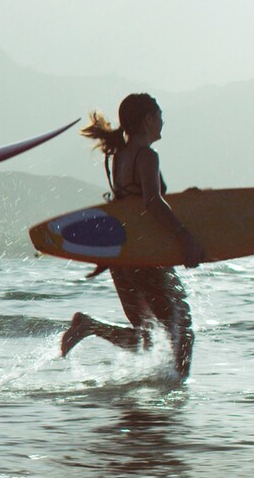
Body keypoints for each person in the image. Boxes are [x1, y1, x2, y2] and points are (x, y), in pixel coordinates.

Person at [58, 93, 204, 379]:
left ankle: (90, 326)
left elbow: (133, 203)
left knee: (148, 337)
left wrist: (183, 200)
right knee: (182, 330)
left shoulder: (120, 157)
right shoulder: (146, 155)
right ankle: (172, 403)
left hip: (124, 256)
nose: (163, 121)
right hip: (146, 255)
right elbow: (151, 202)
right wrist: (185, 237)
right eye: (160, 115)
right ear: (148, 120)